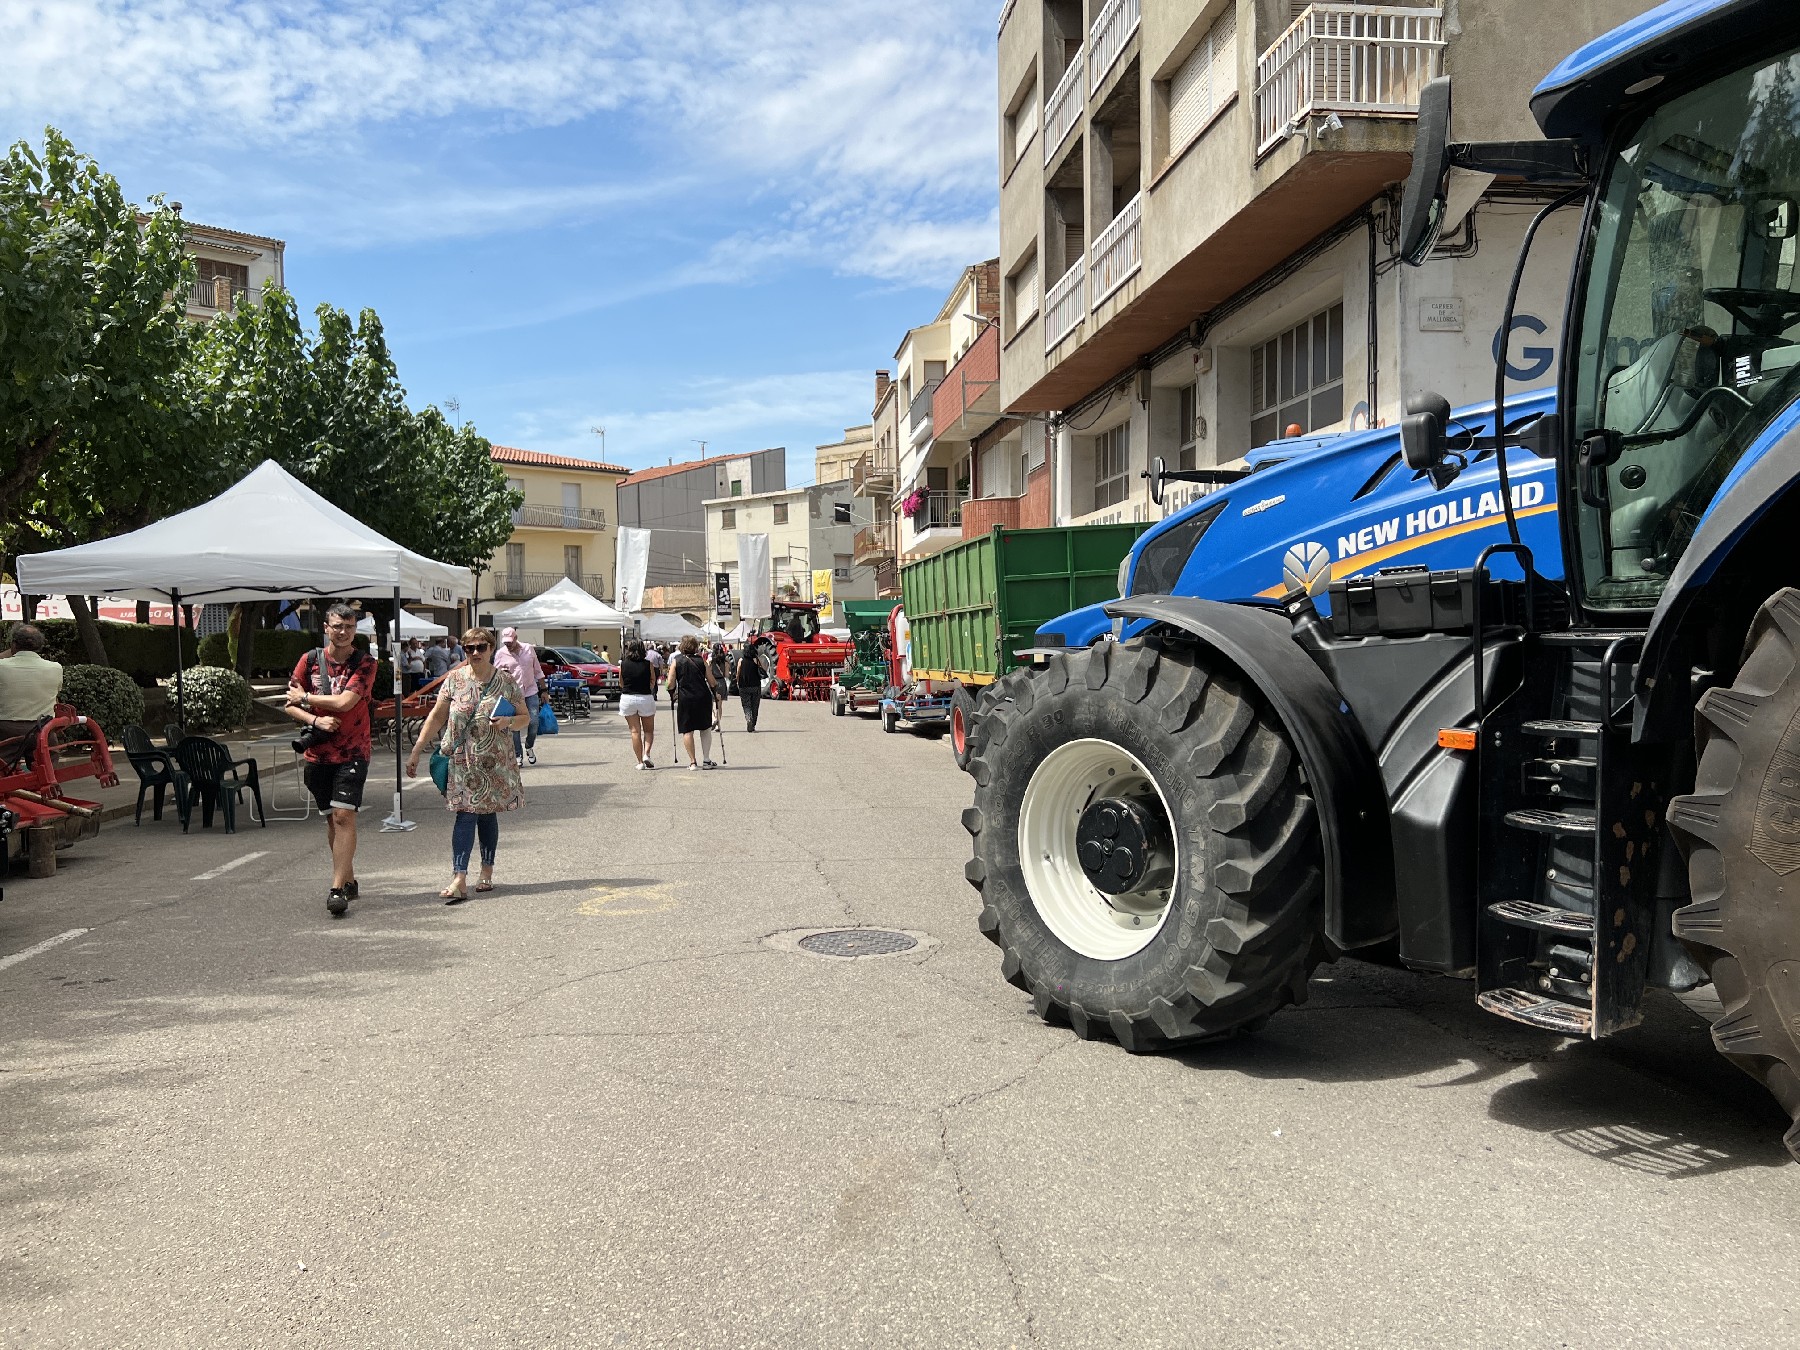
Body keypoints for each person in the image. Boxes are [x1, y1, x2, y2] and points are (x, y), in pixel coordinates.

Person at [405, 627, 529, 904]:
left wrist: (508, 722)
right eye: (469, 648)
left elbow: (525, 717)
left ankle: (486, 870)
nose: (475, 652)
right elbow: (437, 717)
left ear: (491, 649)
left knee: (486, 814)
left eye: (481, 647)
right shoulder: (454, 679)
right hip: (462, 761)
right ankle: (459, 877)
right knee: (465, 814)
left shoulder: (505, 681)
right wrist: (417, 749)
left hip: (494, 762)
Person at [286, 604, 378, 918]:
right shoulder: (309, 660)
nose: (343, 632)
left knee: (343, 817)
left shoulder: (365, 663)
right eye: (337, 626)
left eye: (349, 627)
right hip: (318, 752)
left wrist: (306, 698)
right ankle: (348, 878)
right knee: (331, 820)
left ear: (355, 629)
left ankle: (336, 889)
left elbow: (344, 702)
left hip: (353, 751)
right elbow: (289, 705)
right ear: (326, 627)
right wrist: (315, 721)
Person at [0, 623, 64, 745]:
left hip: (6, 732)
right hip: (43, 731)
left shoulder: (2, 666)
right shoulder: (56, 668)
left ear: (13, 644)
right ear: (39, 645)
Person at [666, 634, 721, 769]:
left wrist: (672, 694)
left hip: (685, 698)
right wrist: (715, 692)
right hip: (703, 697)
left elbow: (670, 683)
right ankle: (706, 760)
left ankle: (692, 762)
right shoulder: (701, 661)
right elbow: (712, 681)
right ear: (695, 647)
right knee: (705, 728)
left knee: (687, 730)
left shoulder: (676, 661)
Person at [494, 627, 546, 767]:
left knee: (534, 721)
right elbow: (495, 675)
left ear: (516, 638)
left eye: (510, 642)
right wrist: (502, 674)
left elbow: (538, 670)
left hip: (530, 690)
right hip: (512, 693)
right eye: (506, 642)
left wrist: (544, 690)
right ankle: (518, 754)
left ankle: (529, 745)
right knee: (514, 725)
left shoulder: (528, 649)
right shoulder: (500, 654)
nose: (508, 645)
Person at [617, 639, 659, 769]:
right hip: (645, 697)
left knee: (635, 731)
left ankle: (640, 762)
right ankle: (646, 754)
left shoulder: (623, 664)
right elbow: (653, 680)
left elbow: (621, 683)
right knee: (648, 730)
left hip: (627, 698)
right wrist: (647, 687)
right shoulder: (648, 664)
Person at [736, 639, 765, 733]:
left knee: (746, 705)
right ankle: (753, 725)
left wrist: (737, 682)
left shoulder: (741, 660)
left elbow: (738, 673)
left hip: (744, 686)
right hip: (756, 685)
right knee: (755, 705)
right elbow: (762, 669)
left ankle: (749, 718)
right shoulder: (756, 660)